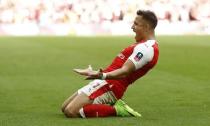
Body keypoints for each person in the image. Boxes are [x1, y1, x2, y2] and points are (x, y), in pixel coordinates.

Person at [61, 10, 159, 118]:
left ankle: (117, 109)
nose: (132, 27)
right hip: (104, 81)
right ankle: (110, 106)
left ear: (146, 27)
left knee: (71, 111)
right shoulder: (142, 45)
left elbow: (125, 71)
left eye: (136, 24)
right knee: (64, 107)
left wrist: (101, 75)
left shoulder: (147, 49)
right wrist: (98, 74)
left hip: (111, 86)